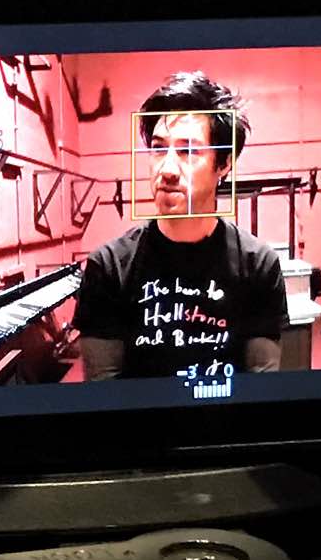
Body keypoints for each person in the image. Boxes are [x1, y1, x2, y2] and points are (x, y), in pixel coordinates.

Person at [72, 72, 290, 384]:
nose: (168, 169)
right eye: (159, 148)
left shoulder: (258, 265)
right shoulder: (108, 268)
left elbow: (260, 383)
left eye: (188, 151)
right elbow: (105, 393)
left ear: (224, 163)